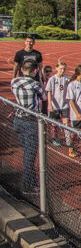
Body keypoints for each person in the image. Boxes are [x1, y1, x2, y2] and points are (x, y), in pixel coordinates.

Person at [11, 59, 44, 193]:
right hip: (30, 122)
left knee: (26, 153)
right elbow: (43, 97)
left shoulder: (14, 82)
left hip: (18, 120)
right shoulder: (34, 84)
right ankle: (28, 185)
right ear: (35, 71)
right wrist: (41, 79)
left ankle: (31, 181)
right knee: (30, 155)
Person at [45, 61, 71, 147]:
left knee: (66, 123)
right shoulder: (52, 79)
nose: (62, 71)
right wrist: (49, 104)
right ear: (56, 68)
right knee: (54, 123)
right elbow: (49, 92)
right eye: (60, 69)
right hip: (55, 105)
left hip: (65, 105)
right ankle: (54, 138)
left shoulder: (67, 79)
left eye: (64, 69)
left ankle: (68, 140)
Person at [66, 65, 81, 158]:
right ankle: (71, 147)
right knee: (74, 132)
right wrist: (77, 113)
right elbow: (71, 100)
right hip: (76, 113)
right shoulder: (72, 85)